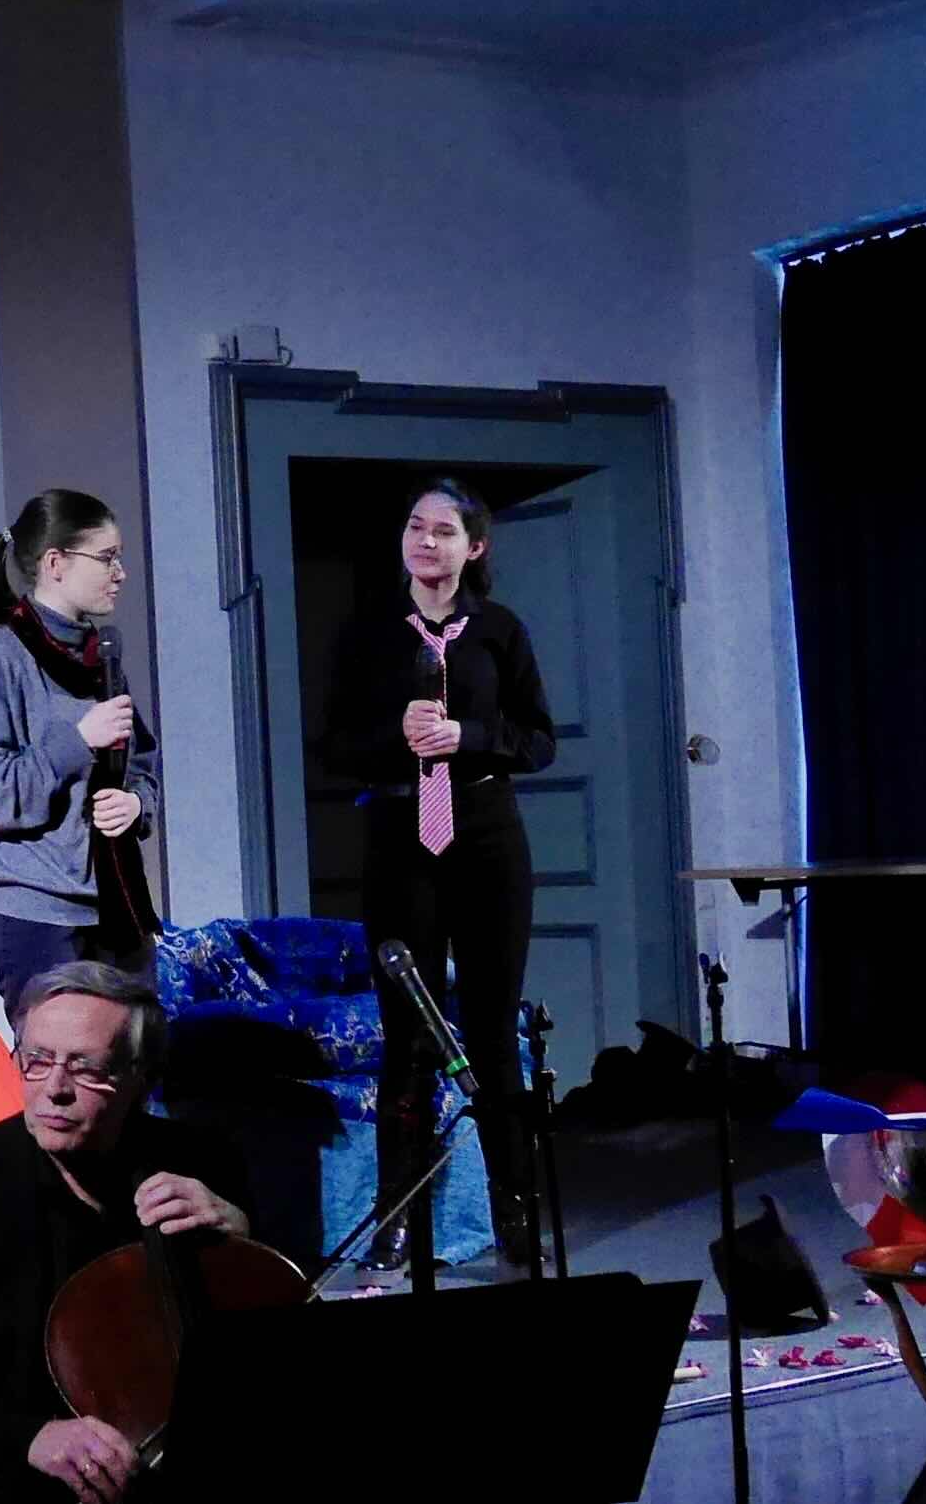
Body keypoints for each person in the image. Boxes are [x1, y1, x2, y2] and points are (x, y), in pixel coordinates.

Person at [0, 962, 252, 1503]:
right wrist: (29, 1436)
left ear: (141, 1079)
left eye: (87, 1068)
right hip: (14, 1483)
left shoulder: (203, 1163)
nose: (54, 1090)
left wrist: (240, 1241)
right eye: (37, 1061)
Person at [321, 478, 556, 1268]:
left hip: (485, 833)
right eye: (414, 527)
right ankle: (397, 1214)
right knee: (408, 1036)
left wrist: (470, 735)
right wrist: (395, 734)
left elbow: (538, 739)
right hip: (399, 836)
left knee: (491, 1032)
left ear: (473, 547)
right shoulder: (366, 634)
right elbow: (333, 745)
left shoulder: (499, 630)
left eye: (444, 530)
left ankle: (514, 1207)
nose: (425, 542)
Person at [0, 490, 163, 1026]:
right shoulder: (0, 659)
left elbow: (142, 761)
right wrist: (77, 741)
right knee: (58, 1064)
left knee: (133, 1060)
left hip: (116, 904)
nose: (120, 573)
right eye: (107, 557)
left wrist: (136, 804)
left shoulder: (99, 656)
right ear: (56, 564)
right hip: (41, 919)